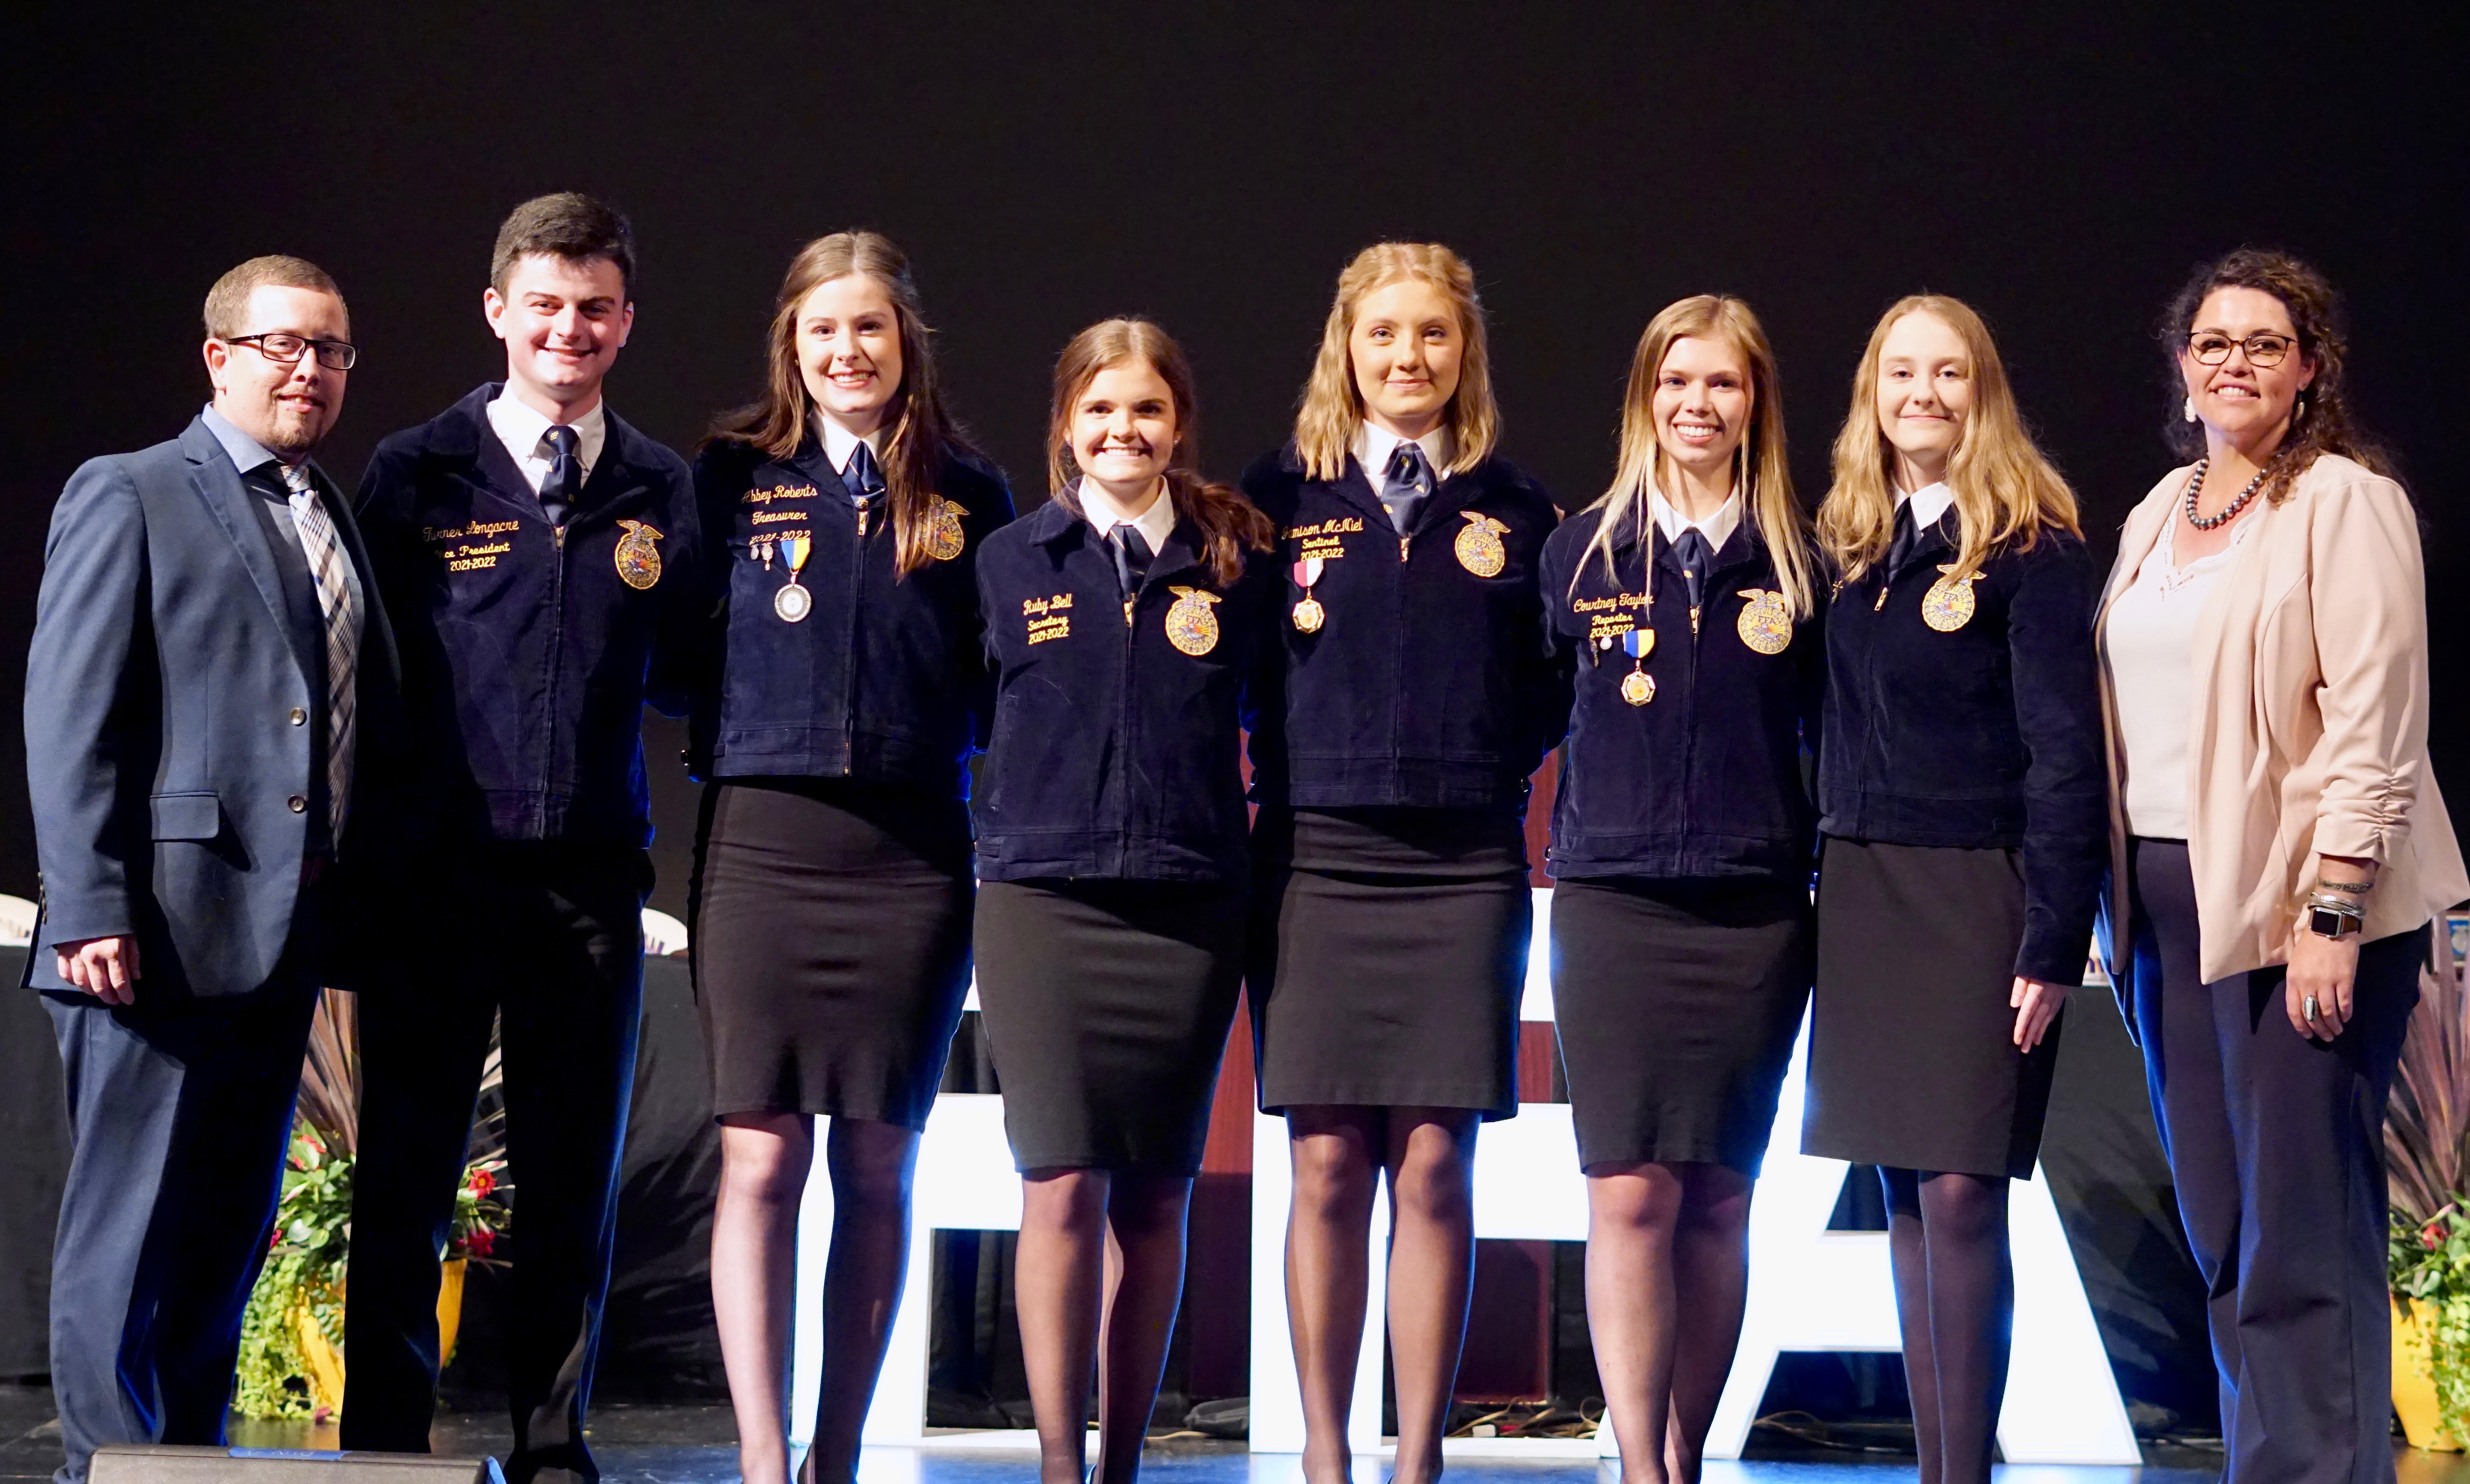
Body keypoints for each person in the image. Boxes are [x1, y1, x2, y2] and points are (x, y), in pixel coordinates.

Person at [342, 194, 703, 1482]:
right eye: (544, 304)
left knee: (569, 1182)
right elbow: (363, 679)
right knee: (405, 1171)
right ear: (498, 312)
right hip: (435, 881)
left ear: (626, 323)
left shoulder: (663, 485)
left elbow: (700, 669)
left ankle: (553, 1442)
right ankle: (384, 1438)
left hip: (590, 882)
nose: (570, 328)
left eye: (594, 306)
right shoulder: (415, 470)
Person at [2097, 249, 2469, 1480]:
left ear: (2310, 371)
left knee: (2302, 1237)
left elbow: (2378, 720)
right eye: (2214, 343)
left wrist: (2336, 904)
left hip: (2294, 904)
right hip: (2164, 908)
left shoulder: (2346, 503)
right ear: (2184, 367)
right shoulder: (2163, 510)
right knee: (2226, 1228)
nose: (2236, 363)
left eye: (2266, 344)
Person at [23, 256, 393, 1483]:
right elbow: (70, 716)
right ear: (219, 356)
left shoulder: (329, 511)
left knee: (224, 1232)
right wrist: (87, 905)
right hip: (149, 938)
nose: (310, 370)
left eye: (331, 350)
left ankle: (184, 1463)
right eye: (284, 344)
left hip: (278, 942)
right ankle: (104, 1470)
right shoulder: (130, 492)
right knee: (125, 1235)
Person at [686, 231, 1013, 1484]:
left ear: (905, 342)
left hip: (910, 852)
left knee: (879, 1155)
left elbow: (1007, 671)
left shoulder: (970, 491)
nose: (847, 352)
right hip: (764, 845)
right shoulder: (729, 479)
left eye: (869, 328)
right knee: (761, 1153)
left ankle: (836, 1458)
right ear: (792, 347)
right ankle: (766, 1462)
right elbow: (675, 649)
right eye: (823, 331)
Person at [1239, 242, 1566, 1484]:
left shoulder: (1519, 508)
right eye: (1384, 335)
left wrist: (1473, 763)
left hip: (1465, 864)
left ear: (1464, 352)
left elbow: (1550, 686)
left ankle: (1417, 1459)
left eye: (1432, 336)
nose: (1407, 359)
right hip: (1317, 859)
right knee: (1326, 1162)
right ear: (1347, 348)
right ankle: (1326, 1456)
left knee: (1436, 1163)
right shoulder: (1274, 499)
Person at [971, 318, 1276, 1484]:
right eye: (1100, 411)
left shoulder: (1235, 560)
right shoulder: (1008, 562)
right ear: (1065, 425)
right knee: (1057, 1187)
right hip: (1044, 906)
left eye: (1146, 410)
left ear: (1178, 424)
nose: (1124, 431)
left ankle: (1122, 1466)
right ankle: (1059, 1463)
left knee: (1155, 1198)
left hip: (1190, 911)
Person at [1805, 295, 2104, 1484]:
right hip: (1868, 893)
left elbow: (2068, 758)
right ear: (1872, 391)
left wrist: (2050, 938)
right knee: (1907, 1197)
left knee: (1966, 1192)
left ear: (1984, 393)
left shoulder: (2034, 549)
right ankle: (1939, 1469)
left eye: (1948, 374)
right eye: (1899, 372)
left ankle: (1966, 1475)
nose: (1921, 394)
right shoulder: (1856, 547)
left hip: (1983, 896)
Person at [1538, 295, 1821, 1484]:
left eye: (1723, 385)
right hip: (1613, 908)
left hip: (1755, 915)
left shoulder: (1807, 559)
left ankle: (1687, 1456)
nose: (1697, 406)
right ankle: (1640, 1469)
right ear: (1644, 397)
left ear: (1756, 402)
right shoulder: (1578, 551)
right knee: (1630, 1195)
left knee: (1719, 1198)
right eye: (1676, 382)